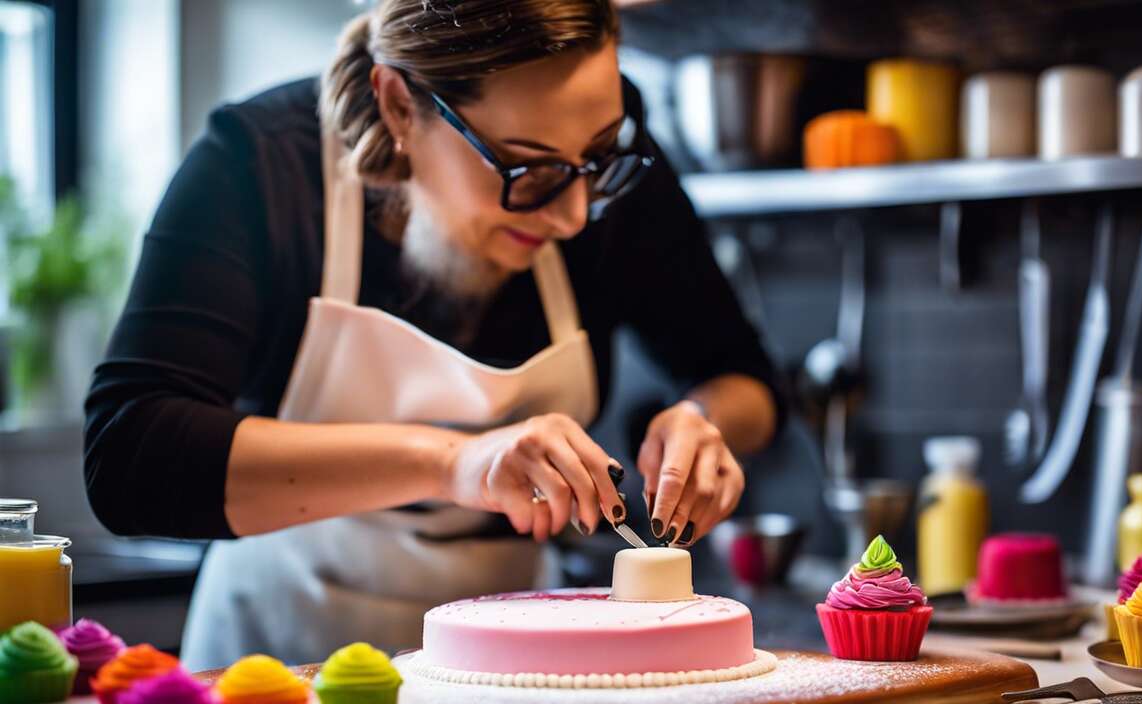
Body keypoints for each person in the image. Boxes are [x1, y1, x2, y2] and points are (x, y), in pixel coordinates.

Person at [84, 0, 780, 669]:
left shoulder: (595, 174)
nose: (572, 215)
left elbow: (744, 376)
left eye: (595, 159)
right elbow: (130, 456)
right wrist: (453, 463)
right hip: (279, 667)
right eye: (525, 166)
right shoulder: (261, 162)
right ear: (397, 105)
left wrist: (700, 421)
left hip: (519, 671)